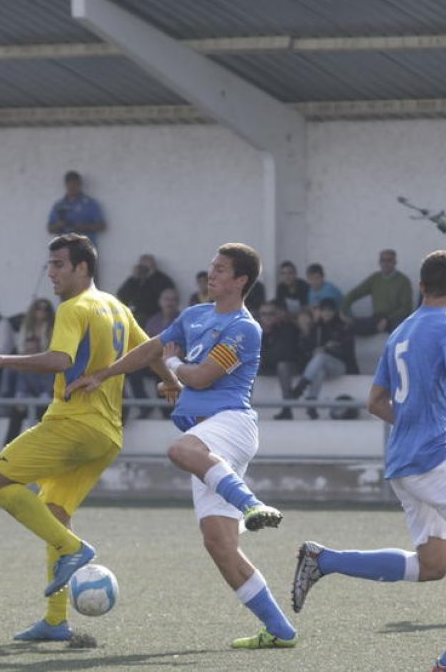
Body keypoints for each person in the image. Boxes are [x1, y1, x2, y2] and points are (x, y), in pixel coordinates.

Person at [290, 250, 446, 672]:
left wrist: (424, 420)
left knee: (434, 565)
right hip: (433, 459)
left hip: (403, 462)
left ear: (421, 285)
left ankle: (324, 560)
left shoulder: (400, 332)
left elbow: (376, 402)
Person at [67, 243, 297, 650]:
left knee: (179, 451)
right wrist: (104, 375)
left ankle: (251, 505)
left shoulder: (244, 327)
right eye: (212, 266)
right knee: (219, 546)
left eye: (221, 269)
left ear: (241, 280)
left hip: (231, 426)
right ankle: (279, 629)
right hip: (207, 440)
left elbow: (203, 376)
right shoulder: (194, 315)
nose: (212, 273)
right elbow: (153, 349)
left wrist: (174, 370)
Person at [0, 234, 174, 643]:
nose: (52, 273)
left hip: (74, 423)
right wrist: (173, 384)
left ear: (82, 268)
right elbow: (150, 351)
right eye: (50, 264)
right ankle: (56, 621)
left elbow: (60, 360)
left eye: (59, 264)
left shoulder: (73, 308)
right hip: (108, 436)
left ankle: (74, 549)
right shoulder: (115, 306)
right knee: (54, 511)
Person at [289, 298, 355, 419]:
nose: (327, 313)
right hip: (321, 365)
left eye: (329, 310)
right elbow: (307, 348)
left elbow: (345, 351)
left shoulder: (343, 327)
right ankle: (312, 405)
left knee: (321, 357)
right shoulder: (316, 327)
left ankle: (300, 387)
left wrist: (327, 350)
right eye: (324, 310)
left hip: (340, 365)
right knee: (319, 371)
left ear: (335, 312)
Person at [127, 287, 182, 419]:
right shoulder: (153, 320)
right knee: (133, 372)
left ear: (177, 302)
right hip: (153, 360)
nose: (170, 302)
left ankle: (169, 412)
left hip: (172, 361)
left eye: (173, 300)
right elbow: (145, 345)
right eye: (166, 299)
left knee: (165, 374)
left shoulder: (181, 320)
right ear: (160, 302)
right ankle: (145, 407)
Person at [342, 248, 413, 335]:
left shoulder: (403, 281)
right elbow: (354, 294)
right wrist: (343, 311)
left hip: (396, 320)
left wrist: (387, 319)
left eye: (389, 260)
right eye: (383, 260)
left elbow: (406, 308)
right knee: (347, 326)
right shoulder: (375, 278)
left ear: (395, 262)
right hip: (377, 318)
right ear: (379, 262)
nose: (385, 263)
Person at [258, 303, 304, 420]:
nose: (267, 317)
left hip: (289, 365)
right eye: (264, 314)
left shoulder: (287, 328)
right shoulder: (255, 329)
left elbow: (284, 353)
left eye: (271, 314)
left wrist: (262, 356)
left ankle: (287, 408)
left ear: (277, 315)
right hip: (266, 365)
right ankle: (242, 409)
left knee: (282, 366)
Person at [47, 170, 106, 248]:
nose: (72, 188)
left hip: (85, 250)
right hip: (65, 251)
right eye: (70, 185)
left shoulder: (90, 204)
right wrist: (60, 224)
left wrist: (85, 227)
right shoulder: (59, 205)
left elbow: (102, 226)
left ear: (80, 185)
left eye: (75, 185)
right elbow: (50, 229)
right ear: (66, 185)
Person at [116, 254, 176, 326]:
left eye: (147, 266)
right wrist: (134, 279)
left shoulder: (162, 279)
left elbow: (167, 296)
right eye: (142, 267)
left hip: (155, 314)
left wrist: (150, 276)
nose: (144, 269)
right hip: (134, 313)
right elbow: (121, 295)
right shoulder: (134, 280)